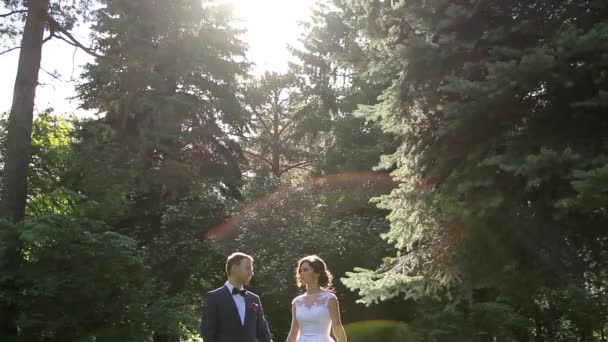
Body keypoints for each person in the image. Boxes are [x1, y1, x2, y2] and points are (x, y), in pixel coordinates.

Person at [200, 252, 272, 342]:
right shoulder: (213, 298)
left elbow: (264, 334)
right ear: (234, 268)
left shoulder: (254, 299)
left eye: (252, 269)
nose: (252, 273)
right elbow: (208, 335)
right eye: (247, 268)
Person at [286, 255, 347, 342]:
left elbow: (337, 326)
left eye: (305, 270)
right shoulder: (297, 301)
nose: (301, 273)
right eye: (300, 271)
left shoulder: (330, 298)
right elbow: (294, 331)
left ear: (317, 273)